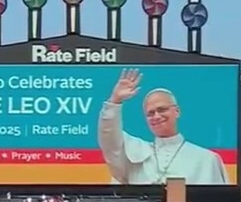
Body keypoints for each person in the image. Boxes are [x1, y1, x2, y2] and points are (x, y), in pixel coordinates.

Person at [97, 68, 229, 185]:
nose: (156, 116)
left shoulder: (207, 159)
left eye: (162, 110)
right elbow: (109, 138)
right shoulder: (133, 155)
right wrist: (115, 101)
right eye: (150, 113)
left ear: (177, 111)